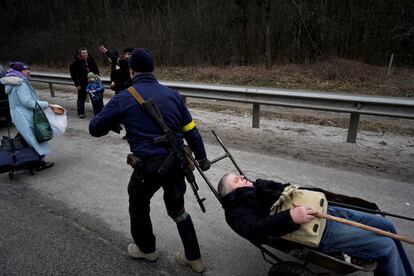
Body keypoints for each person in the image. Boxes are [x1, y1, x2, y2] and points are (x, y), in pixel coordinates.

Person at [89, 48, 211, 273]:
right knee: (178, 210)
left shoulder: (125, 97)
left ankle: (147, 250)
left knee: (138, 204)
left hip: (147, 169)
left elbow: (94, 129)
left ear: (131, 69)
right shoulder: (174, 95)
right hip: (175, 164)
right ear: (153, 68)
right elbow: (192, 132)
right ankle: (194, 258)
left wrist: (112, 120)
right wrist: (202, 158)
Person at [217, 173, 414, 276]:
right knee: (385, 245)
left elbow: (291, 189)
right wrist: (290, 218)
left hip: (324, 208)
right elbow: (256, 229)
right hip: (317, 231)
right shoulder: (236, 213)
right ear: (231, 192)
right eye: (237, 179)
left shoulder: (259, 186)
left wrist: (322, 195)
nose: (243, 177)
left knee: (385, 226)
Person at [0, 62, 56, 169]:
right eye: (25, 70)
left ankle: (30, 160)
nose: (28, 71)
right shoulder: (20, 83)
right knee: (35, 138)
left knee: (28, 138)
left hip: (18, 114)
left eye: (28, 69)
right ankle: (38, 163)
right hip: (25, 114)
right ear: (18, 72)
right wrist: (47, 104)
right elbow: (28, 102)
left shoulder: (11, 83)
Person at [69, 47, 99, 118]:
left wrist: (97, 78)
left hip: (92, 82)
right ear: (80, 54)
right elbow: (74, 75)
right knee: (81, 99)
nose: (85, 54)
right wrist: (77, 84)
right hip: (82, 83)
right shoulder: (75, 63)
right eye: (83, 53)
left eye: (86, 53)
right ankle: (80, 113)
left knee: (95, 97)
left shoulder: (91, 60)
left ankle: (97, 112)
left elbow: (96, 70)